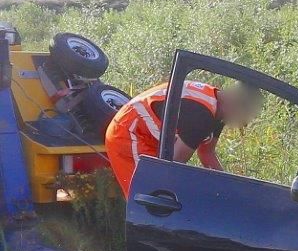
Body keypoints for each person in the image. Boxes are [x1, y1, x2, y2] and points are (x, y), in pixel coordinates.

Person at [104, 80, 263, 195]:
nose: (244, 123)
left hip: (153, 139)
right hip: (127, 133)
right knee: (148, 196)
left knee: (162, 192)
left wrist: (230, 188)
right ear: (236, 103)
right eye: (246, 116)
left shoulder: (219, 108)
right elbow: (174, 164)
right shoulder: (202, 117)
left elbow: (206, 153)